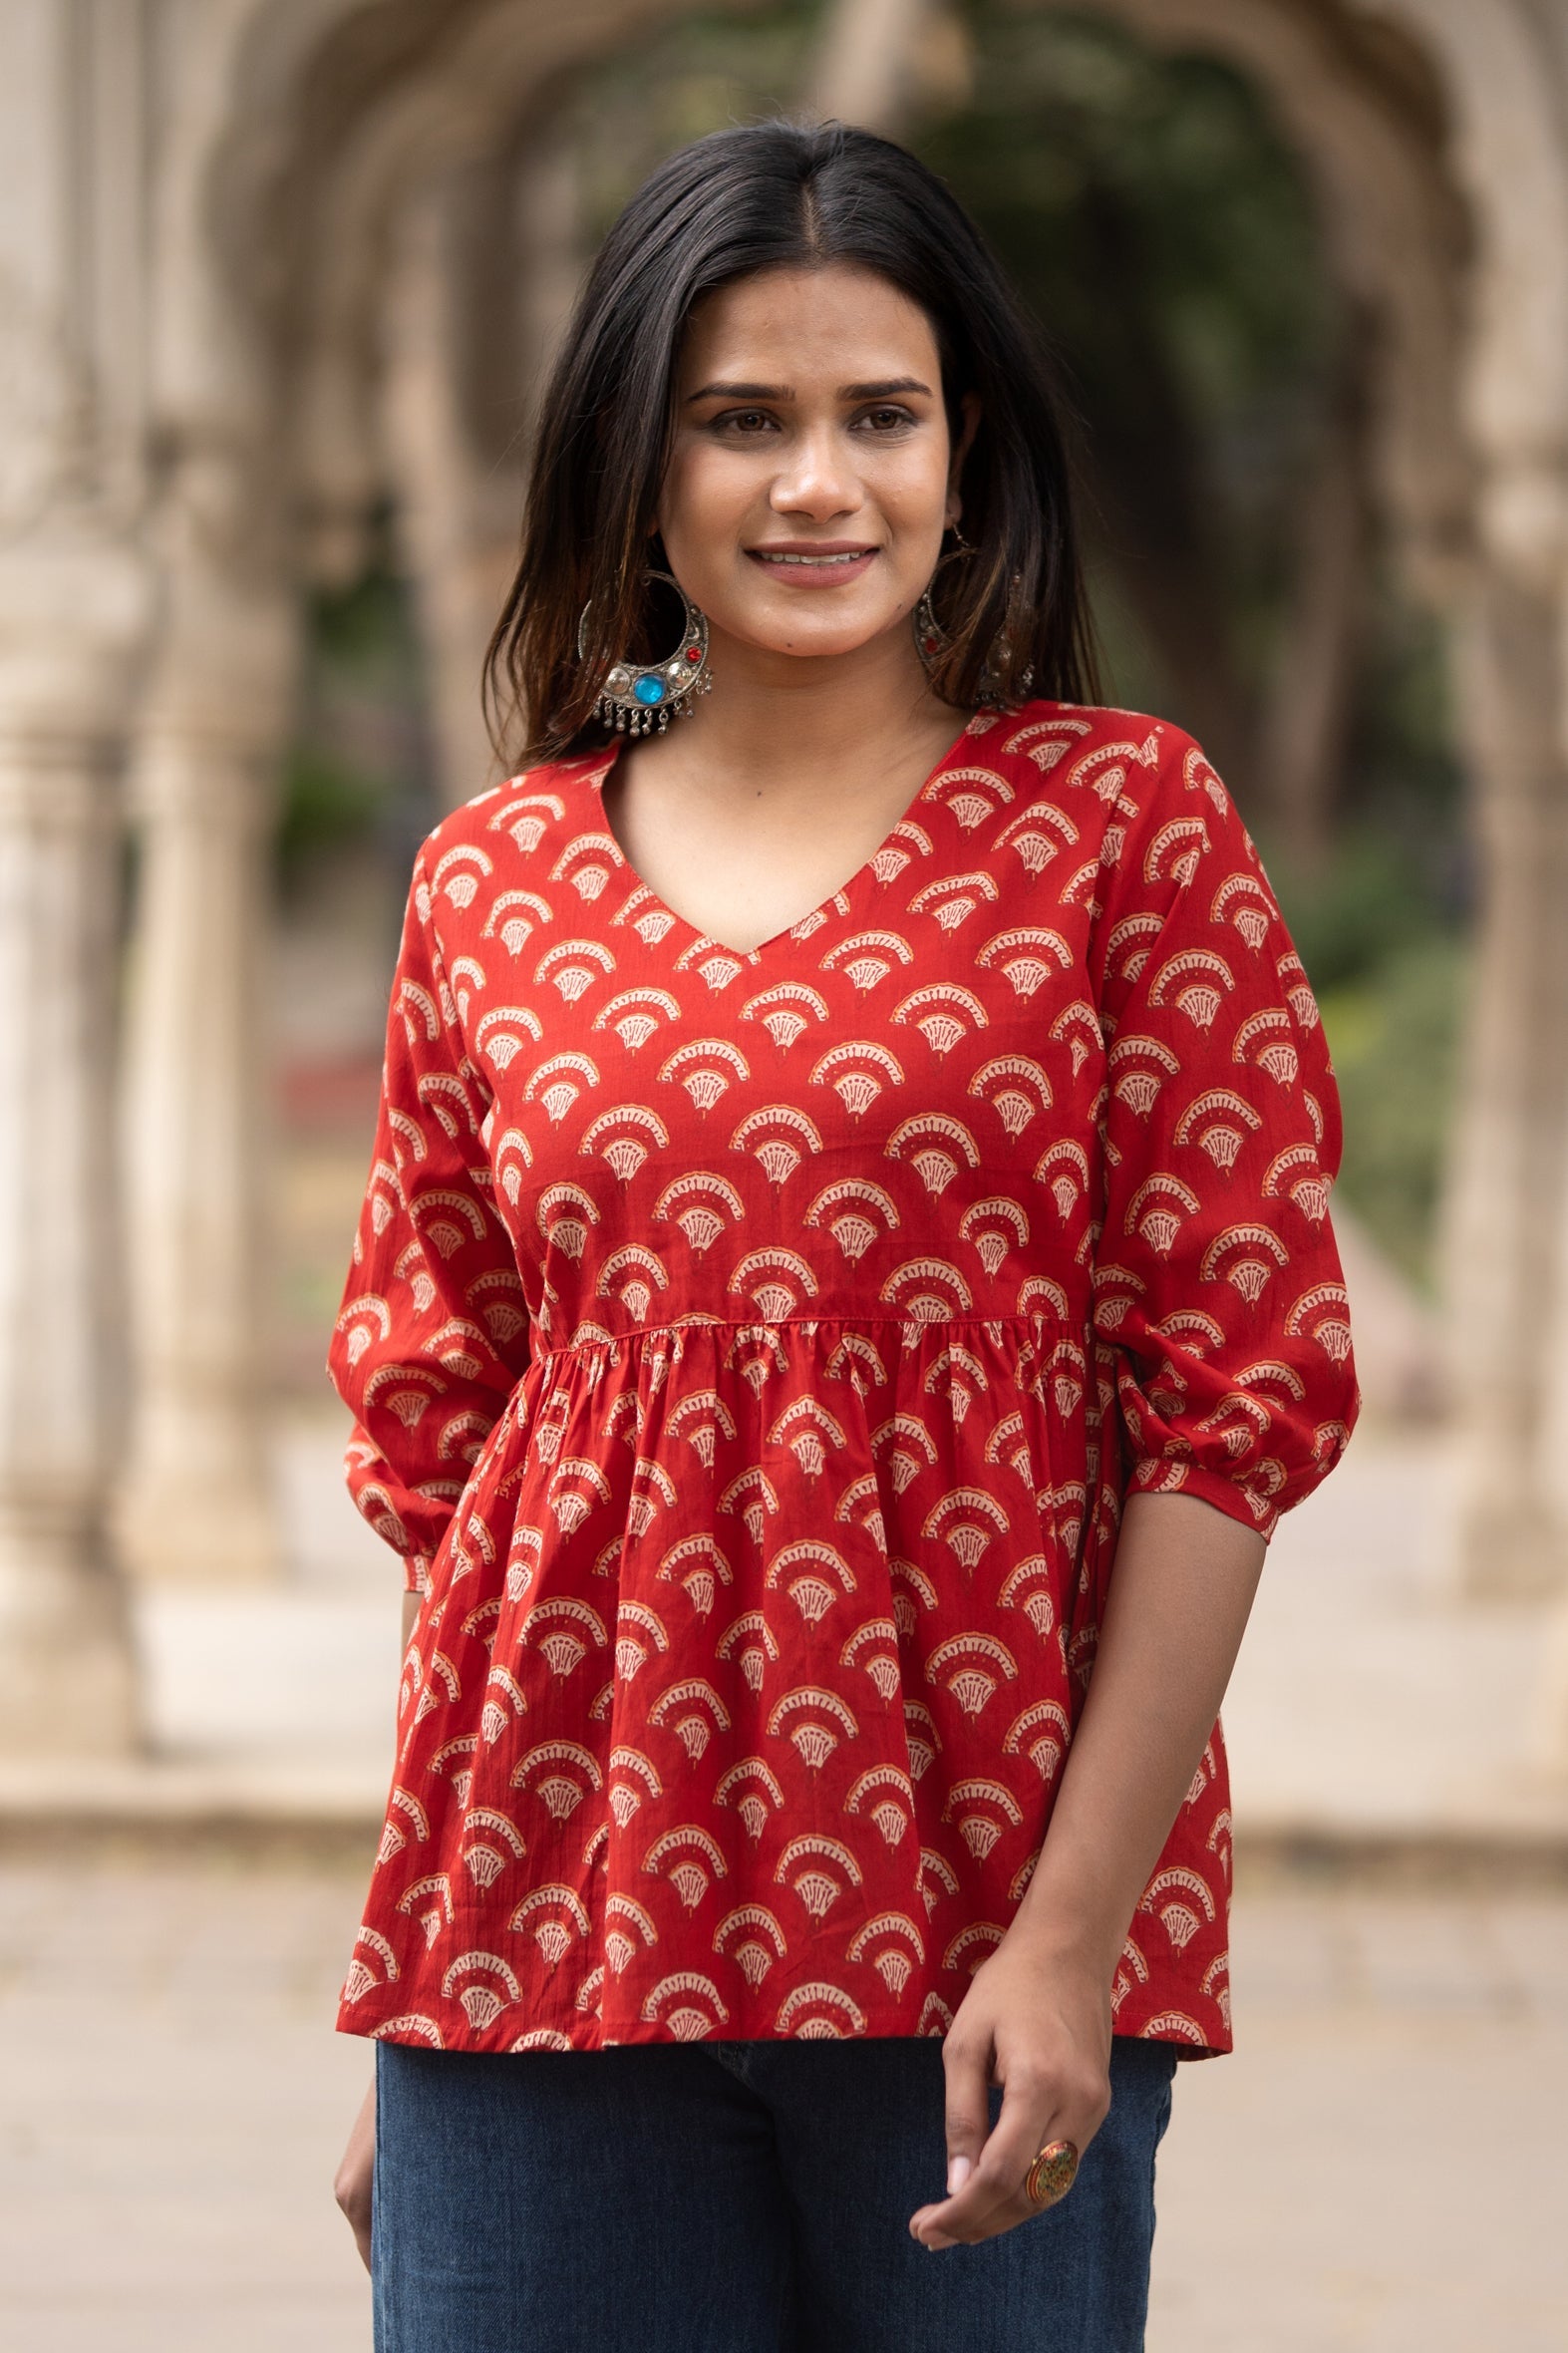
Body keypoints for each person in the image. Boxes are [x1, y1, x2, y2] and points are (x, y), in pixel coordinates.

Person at [328, 118, 1360, 2353]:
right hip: (536, 1942)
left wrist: (1074, 1936)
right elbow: (450, 1453)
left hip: (984, 1940)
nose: (819, 483)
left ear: (962, 450)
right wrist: (419, 1942)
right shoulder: (492, 872)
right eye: (742, 422)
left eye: (878, 415)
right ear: (639, 458)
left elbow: (1232, 1403)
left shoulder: (1117, 822)